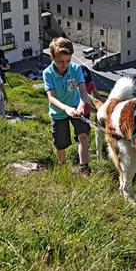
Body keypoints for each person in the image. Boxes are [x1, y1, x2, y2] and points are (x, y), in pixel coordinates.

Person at [43, 37, 92, 175]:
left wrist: (82, 104)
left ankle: (84, 168)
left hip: (76, 109)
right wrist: (65, 108)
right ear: (51, 57)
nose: (65, 64)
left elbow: (83, 91)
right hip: (59, 112)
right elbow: (51, 97)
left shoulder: (75, 69)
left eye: (68, 61)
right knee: (60, 143)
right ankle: (62, 166)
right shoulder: (48, 73)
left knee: (83, 136)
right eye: (60, 61)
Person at [80, 65, 104, 158]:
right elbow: (97, 96)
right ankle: (85, 147)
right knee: (86, 130)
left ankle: (83, 147)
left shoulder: (76, 83)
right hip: (87, 110)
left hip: (78, 111)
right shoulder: (91, 83)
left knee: (81, 131)